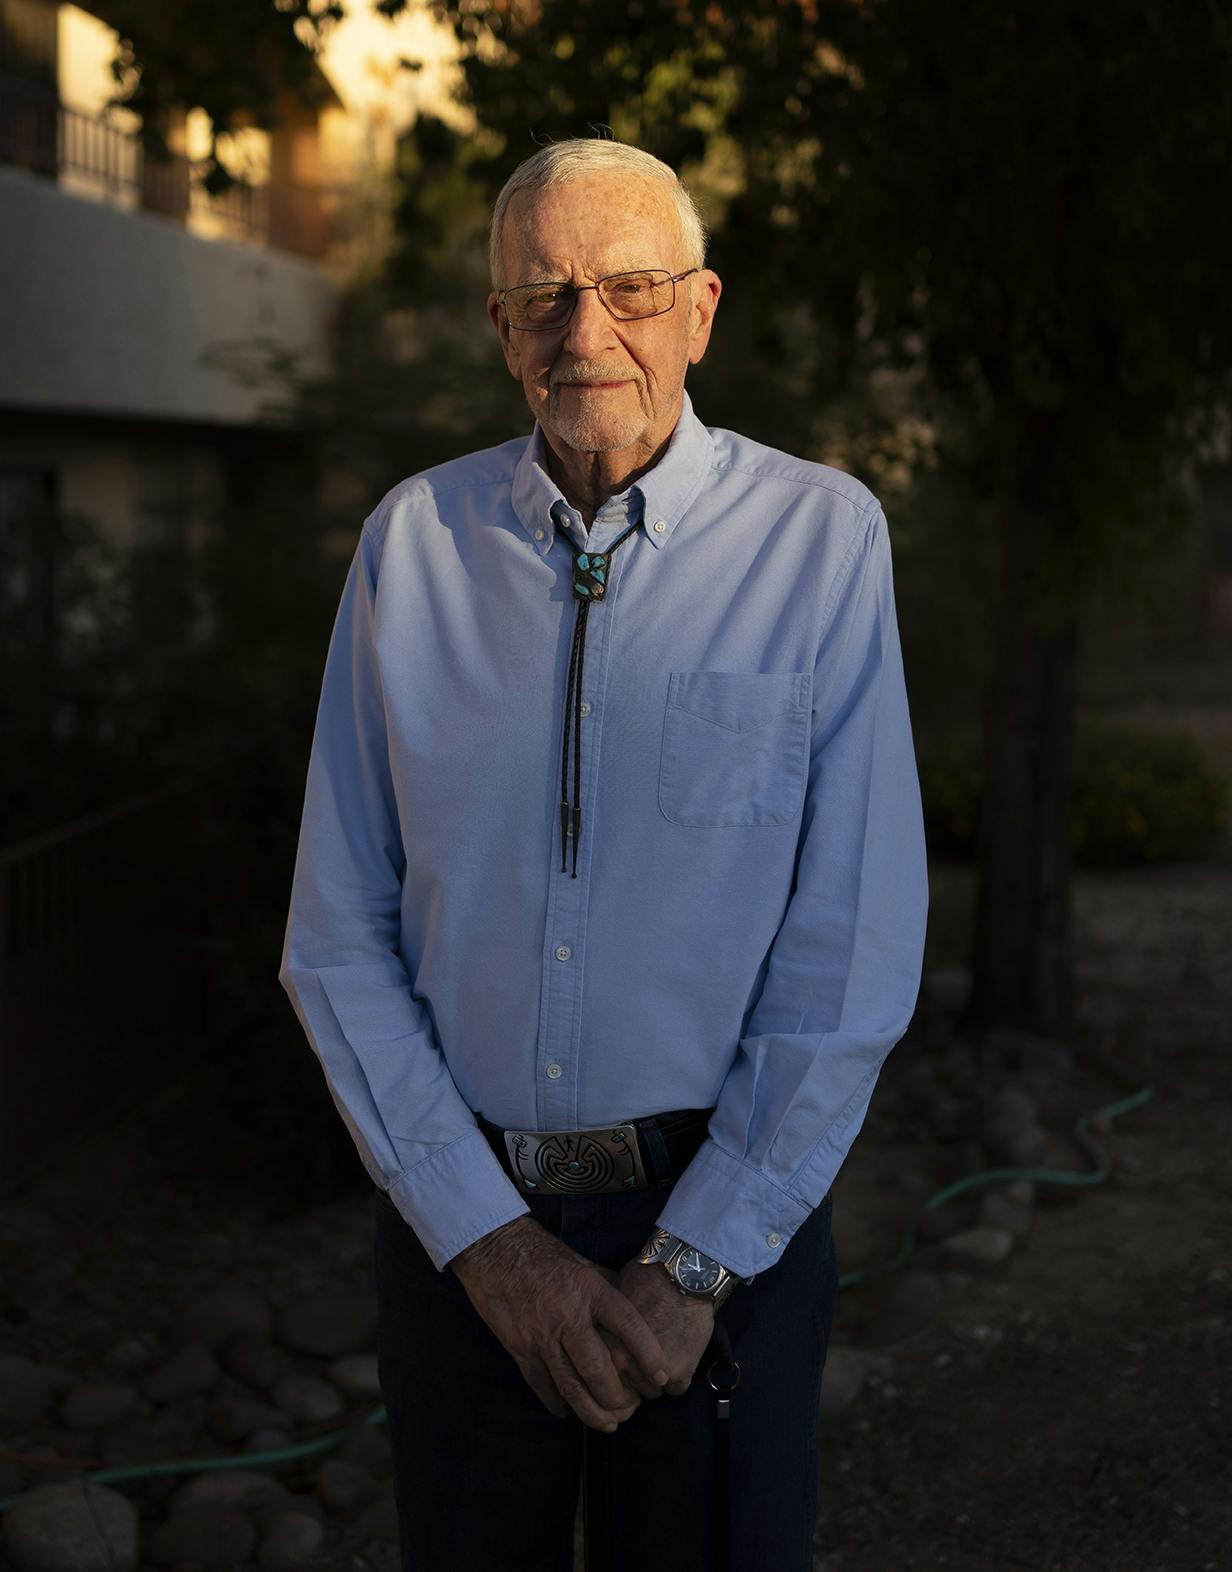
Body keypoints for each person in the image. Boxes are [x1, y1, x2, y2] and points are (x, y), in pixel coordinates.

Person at [278, 136, 928, 1571]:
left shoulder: (819, 544)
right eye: (545, 296)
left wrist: (695, 1262)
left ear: (700, 310)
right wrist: (492, 1248)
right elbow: (335, 933)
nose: (589, 333)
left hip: (719, 1226)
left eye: (630, 290)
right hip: (463, 1223)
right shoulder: (413, 547)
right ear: (499, 327)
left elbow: (851, 947)